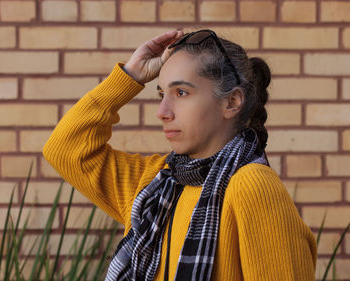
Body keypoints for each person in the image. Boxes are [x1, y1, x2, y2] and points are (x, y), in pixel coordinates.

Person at [43, 29, 317, 281]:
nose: (162, 111)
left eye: (181, 92)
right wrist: (130, 75)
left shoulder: (252, 186)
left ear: (232, 102)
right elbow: (65, 148)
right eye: (161, 94)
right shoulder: (152, 185)